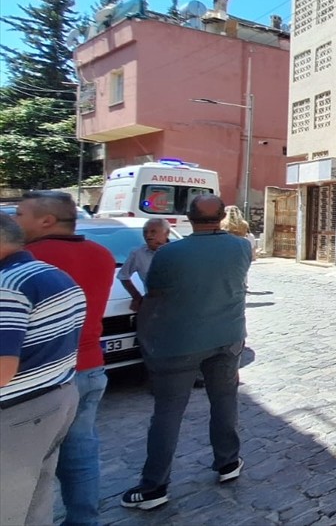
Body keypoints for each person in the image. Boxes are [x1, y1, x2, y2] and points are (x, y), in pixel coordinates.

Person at [121, 194, 251, 510]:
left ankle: (154, 486)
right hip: (228, 337)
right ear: (222, 217)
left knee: (167, 412)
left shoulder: (170, 254)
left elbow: (156, 294)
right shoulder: (242, 247)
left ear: (188, 217)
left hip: (179, 342)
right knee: (224, 402)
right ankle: (228, 462)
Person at [15, 191, 115, 526]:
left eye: (19, 214)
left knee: (28, 465)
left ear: (46, 220)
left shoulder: (26, 259)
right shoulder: (101, 254)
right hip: (90, 366)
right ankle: (85, 520)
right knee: (82, 453)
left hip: (40, 377)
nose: (15, 221)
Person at [0, 213, 86, 526]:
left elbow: (2, 370)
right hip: (57, 398)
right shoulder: (55, 275)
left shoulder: (6, 286)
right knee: (36, 501)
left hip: (15, 413)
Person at [118, 218, 169, 312]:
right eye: (145, 232)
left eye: (153, 232)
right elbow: (123, 276)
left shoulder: (178, 251)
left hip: (178, 304)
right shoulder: (138, 254)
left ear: (166, 233)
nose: (148, 235)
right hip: (154, 306)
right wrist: (136, 297)